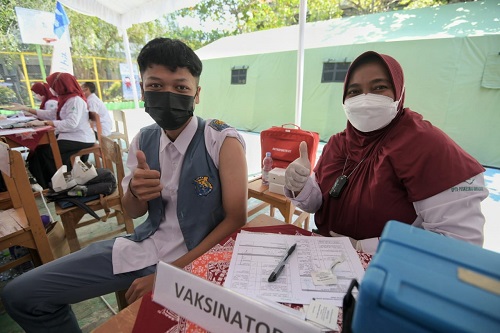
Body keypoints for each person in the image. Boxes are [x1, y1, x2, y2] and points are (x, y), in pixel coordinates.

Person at [1, 37, 248, 333]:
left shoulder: (221, 141)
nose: (168, 95)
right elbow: (131, 211)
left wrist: (171, 276)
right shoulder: (144, 139)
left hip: (197, 260)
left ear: (196, 94)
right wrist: (135, 192)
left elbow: (236, 218)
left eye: (181, 87)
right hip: (142, 247)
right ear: (142, 89)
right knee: (21, 294)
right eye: (156, 86)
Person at [284, 51, 487, 252]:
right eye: (354, 91)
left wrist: (364, 247)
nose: (365, 99)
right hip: (327, 258)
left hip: (389, 270)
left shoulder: (426, 146)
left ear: (399, 92)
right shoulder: (339, 143)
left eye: (379, 87)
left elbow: (459, 242)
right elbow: (318, 203)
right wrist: (301, 185)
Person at [26, 72, 96, 189]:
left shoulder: (75, 100)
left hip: (80, 138)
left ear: (61, 85)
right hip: (70, 135)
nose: (51, 89)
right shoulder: (65, 99)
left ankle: (62, 182)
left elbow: (71, 123)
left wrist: (47, 123)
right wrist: (28, 109)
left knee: (48, 152)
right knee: (38, 149)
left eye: (53, 86)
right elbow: (52, 114)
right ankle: (46, 184)